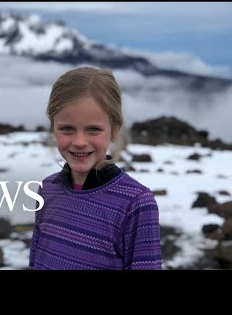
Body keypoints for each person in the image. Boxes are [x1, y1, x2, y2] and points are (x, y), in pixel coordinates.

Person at [29, 67, 162, 270]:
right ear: (53, 127)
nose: (80, 142)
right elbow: (36, 259)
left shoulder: (136, 203)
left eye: (93, 129)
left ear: (114, 129)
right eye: (67, 129)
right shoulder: (47, 189)